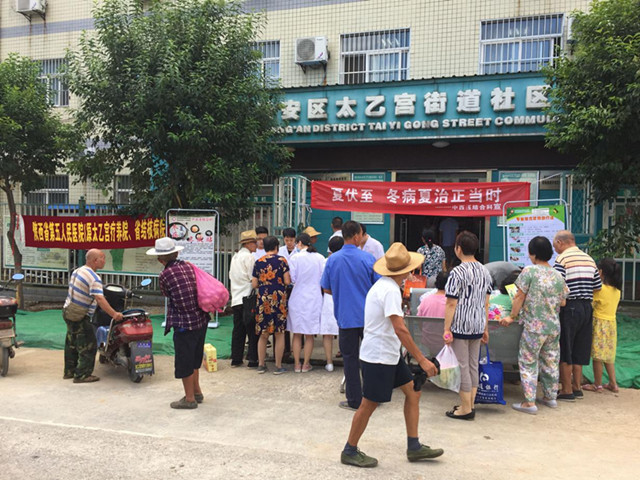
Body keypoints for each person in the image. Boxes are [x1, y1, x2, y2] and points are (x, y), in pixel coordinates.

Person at [340, 242, 443, 468]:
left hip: (388, 354)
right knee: (369, 404)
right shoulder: (390, 291)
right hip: (379, 356)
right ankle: (349, 450)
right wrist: (422, 359)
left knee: (413, 392)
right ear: (405, 271)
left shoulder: (384, 286)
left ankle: (414, 445)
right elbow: (400, 328)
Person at [499, 236, 569, 414]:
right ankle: (550, 397)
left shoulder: (529, 271)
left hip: (534, 327)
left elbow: (519, 296)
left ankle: (529, 402)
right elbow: (563, 302)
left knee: (528, 361)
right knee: (550, 361)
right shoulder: (558, 275)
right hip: (553, 326)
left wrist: (512, 316)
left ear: (533, 254)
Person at [321, 220, 378, 410]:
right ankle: (373, 397)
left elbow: (326, 288)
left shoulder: (332, 260)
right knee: (370, 357)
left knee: (350, 359)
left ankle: (354, 400)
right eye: (361, 234)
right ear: (356, 236)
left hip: (345, 317)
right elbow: (377, 286)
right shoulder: (368, 259)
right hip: (368, 317)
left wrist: (341, 291)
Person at [147, 237, 209, 409]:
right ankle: (197, 392)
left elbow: (167, 294)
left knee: (184, 361)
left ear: (160, 259)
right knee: (195, 358)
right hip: (201, 319)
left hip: (183, 323)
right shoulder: (189, 266)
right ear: (176, 253)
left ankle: (189, 399)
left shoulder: (165, 275)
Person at [443, 231, 492, 420]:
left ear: (458, 249)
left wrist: (447, 328)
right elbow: (486, 303)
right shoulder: (485, 271)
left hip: (461, 325)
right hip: (478, 323)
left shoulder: (457, 272)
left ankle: (465, 409)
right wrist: (485, 328)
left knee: (462, 366)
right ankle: (469, 404)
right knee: (473, 365)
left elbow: (451, 303)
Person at [553, 230, 601, 401]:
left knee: (566, 348)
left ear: (560, 242)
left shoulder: (562, 259)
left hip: (570, 307)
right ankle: (577, 387)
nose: (555, 249)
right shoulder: (589, 259)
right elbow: (597, 286)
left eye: (555, 245)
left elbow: (557, 285)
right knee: (580, 348)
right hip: (587, 307)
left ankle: (566, 390)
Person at [62, 249, 123, 383]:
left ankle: (69, 371)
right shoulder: (94, 278)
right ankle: (82, 375)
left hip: (68, 310)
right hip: (80, 315)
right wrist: (114, 314)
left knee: (72, 343)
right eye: (102, 258)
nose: (104, 261)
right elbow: (100, 299)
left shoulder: (78, 270)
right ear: (95, 260)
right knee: (89, 345)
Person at [252, 235, 291, 375]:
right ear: (276, 247)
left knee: (263, 333)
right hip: (278, 298)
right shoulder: (282, 261)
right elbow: (287, 281)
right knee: (279, 333)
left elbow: (254, 284)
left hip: (263, 299)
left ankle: (261, 365)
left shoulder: (258, 262)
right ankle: (278, 366)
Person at [287, 233, 325, 373]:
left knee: (297, 333)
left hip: (297, 297)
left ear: (300, 243)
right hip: (314, 297)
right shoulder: (320, 258)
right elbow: (323, 278)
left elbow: (292, 279)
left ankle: (297, 364)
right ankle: (306, 364)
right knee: (309, 334)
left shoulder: (294, 258)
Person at [583, 258, 622, 393]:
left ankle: (597, 385)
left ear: (601, 272)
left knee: (597, 356)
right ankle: (613, 383)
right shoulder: (617, 291)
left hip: (599, 324)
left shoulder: (599, 290)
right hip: (611, 325)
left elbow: (591, 304)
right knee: (608, 356)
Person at [228, 230, 259, 368]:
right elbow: (253, 278)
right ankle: (252, 359)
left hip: (236, 296)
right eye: (254, 242)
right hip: (248, 296)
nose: (256, 245)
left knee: (238, 329)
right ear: (248, 244)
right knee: (252, 329)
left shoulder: (235, 257)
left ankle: (236, 358)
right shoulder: (249, 257)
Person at [320, 236, 343, 372]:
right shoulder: (346, 261)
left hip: (329, 297)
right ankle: (346, 359)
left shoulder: (326, 262)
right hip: (344, 297)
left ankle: (329, 362)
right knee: (344, 330)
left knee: (327, 332)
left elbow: (323, 283)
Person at [418, 271, 448, 356]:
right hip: (446, 342)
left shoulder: (425, 300)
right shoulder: (451, 303)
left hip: (427, 344)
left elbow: (420, 323)